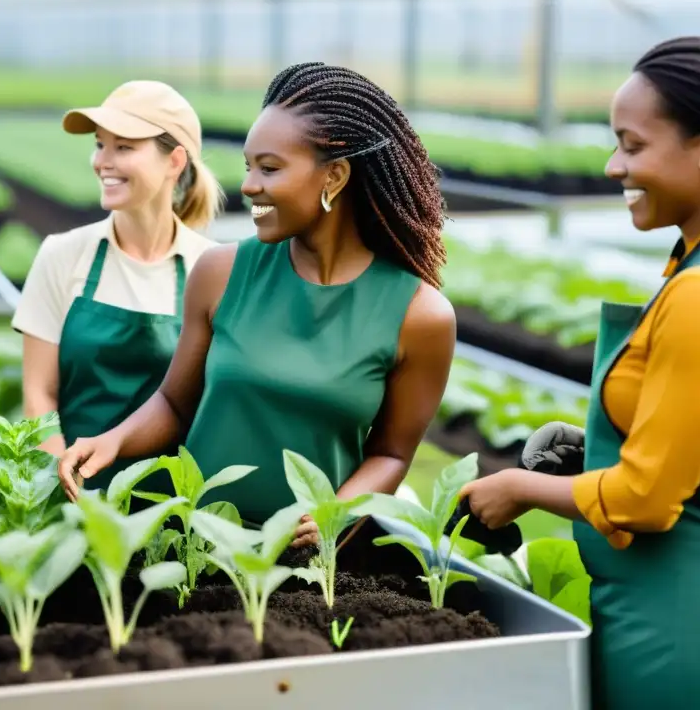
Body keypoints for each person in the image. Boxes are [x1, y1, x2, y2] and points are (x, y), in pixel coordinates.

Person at [58, 62, 456, 545]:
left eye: (269, 168)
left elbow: (391, 454)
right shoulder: (221, 274)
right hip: (196, 549)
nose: (247, 186)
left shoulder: (419, 315)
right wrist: (113, 440)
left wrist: (339, 512)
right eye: (249, 167)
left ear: (334, 176)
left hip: (309, 564)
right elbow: (174, 403)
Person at [457, 36, 700, 710]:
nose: (612, 165)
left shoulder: (694, 296)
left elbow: (650, 498)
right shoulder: (686, 269)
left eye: (632, 144)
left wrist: (519, 489)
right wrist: (594, 445)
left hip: (673, 623)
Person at [13, 80, 224, 493]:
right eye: (99, 144)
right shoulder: (62, 255)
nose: (101, 161)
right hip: (78, 496)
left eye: (124, 147)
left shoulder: (212, 267)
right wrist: (63, 489)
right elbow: (39, 395)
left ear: (175, 161)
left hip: (179, 507)